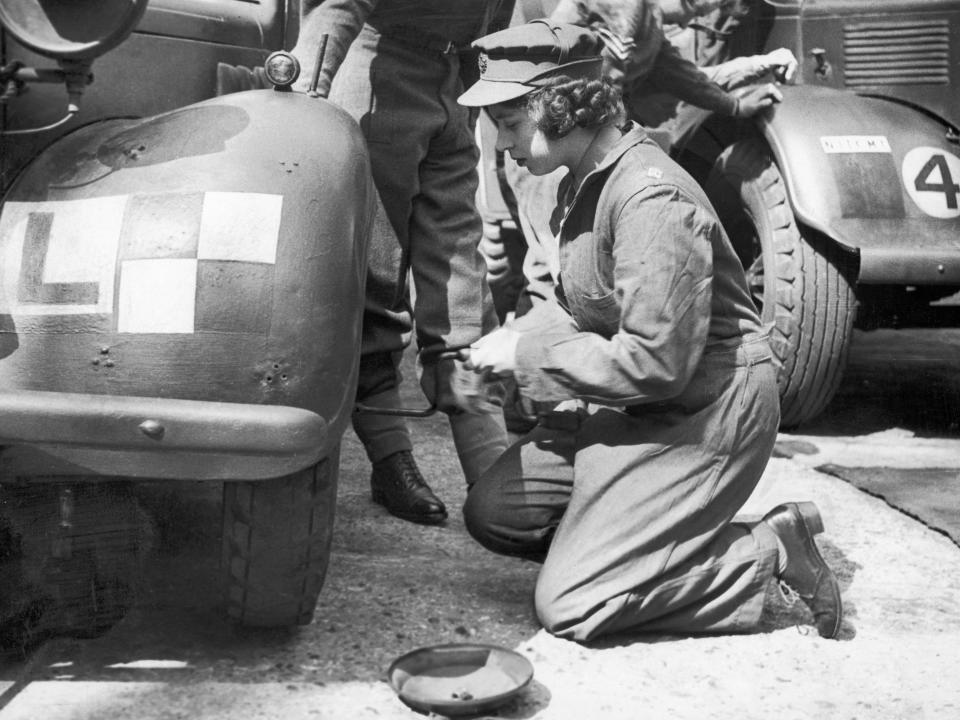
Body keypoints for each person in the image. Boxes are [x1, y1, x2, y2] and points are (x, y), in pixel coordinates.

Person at [456, 21, 844, 641]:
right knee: (499, 513)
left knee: (573, 606)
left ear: (557, 107)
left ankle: (766, 549)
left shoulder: (648, 198)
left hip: (706, 413)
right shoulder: (584, 181)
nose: (500, 143)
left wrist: (529, 354)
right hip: (638, 403)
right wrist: (516, 341)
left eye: (509, 123)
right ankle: (635, 543)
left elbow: (657, 363)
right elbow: (583, 305)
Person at [291, 1, 516, 524]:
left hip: (455, 87)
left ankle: (496, 482)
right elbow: (339, 7)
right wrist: (305, 100)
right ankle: (391, 460)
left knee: (462, 286)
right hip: (379, 81)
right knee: (377, 285)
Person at [481, 0, 797, 324]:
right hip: (547, 147)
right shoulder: (627, 7)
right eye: (695, 5)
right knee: (555, 267)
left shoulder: (652, 29)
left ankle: (535, 350)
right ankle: (530, 353)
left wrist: (735, 106)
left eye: (703, 10)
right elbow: (552, 44)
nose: (694, 15)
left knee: (570, 271)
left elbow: (687, 80)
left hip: (587, 151)